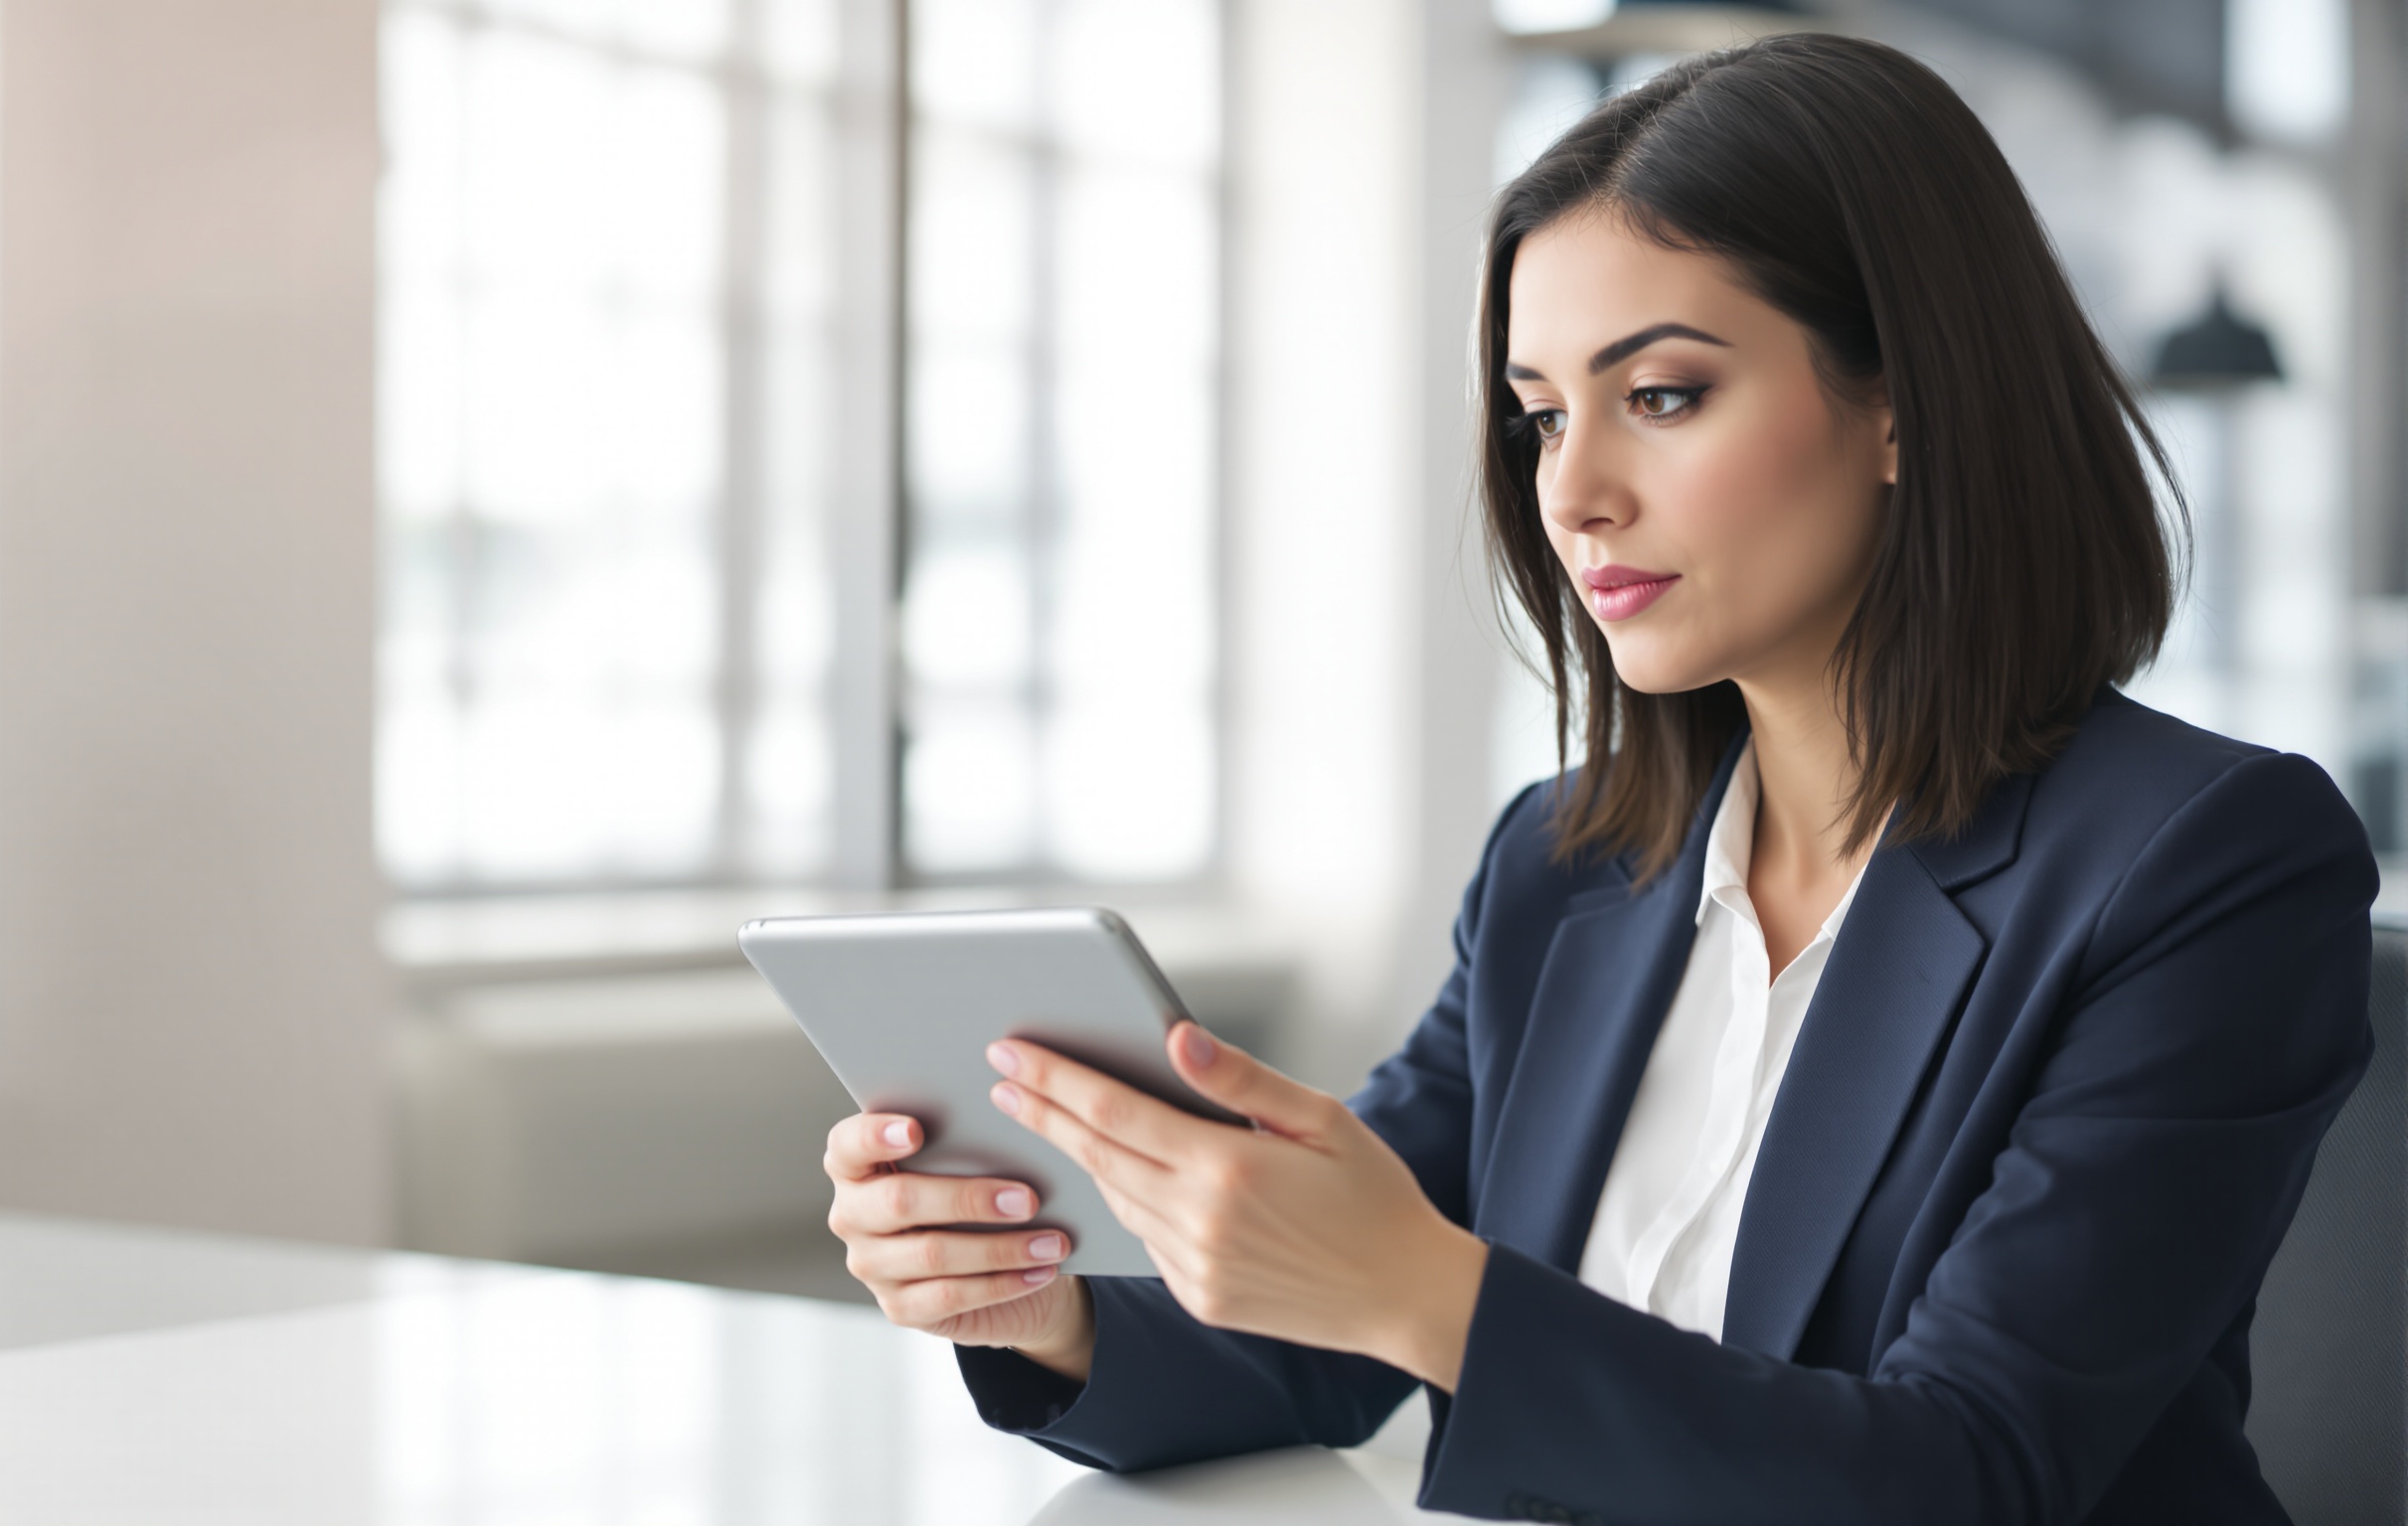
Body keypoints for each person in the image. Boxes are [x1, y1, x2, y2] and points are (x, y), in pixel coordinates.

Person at [819, 32, 2379, 1525]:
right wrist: (1042, 1305)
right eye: (1542, 415)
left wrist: (1421, 1287)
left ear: (1903, 399)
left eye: (1665, 395)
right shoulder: (1567, 865)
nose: (1573, 492)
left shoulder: (2207, 861)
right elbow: (1314, 1341)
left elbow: (1967, 1472)